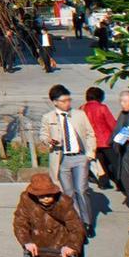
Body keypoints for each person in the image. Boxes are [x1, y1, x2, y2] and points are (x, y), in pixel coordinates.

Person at [40, 84, 96, 235]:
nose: (67, 103)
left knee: (82, 189)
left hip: (79, 157)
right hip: (61, 159)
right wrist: (48, 141)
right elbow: (43, 135)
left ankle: (87, 221)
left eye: (69, 100)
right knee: (68, 192)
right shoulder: (48, 117)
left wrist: (90, 154)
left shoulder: (79, 114)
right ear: (55, 102)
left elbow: (91, 133)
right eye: (64, 101)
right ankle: (76, 222)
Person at [12, 173, 84, 257]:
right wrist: (26, 241)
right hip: (39, 248)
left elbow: (76, 226)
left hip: (62, 245)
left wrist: (72, 245)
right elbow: (20, 223)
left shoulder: (64, 202)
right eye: (41, 196)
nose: (46, 198)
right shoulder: (26, 200)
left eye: (49, 195)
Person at [82, 87, 118, 190]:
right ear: (100, 97)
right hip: (106, 140)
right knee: (116, 162)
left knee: (100, 164)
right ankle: (120, 183)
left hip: (92, 141)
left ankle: (103, 182)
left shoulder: (82, 108)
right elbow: (112, 124)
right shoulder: (102, 108)